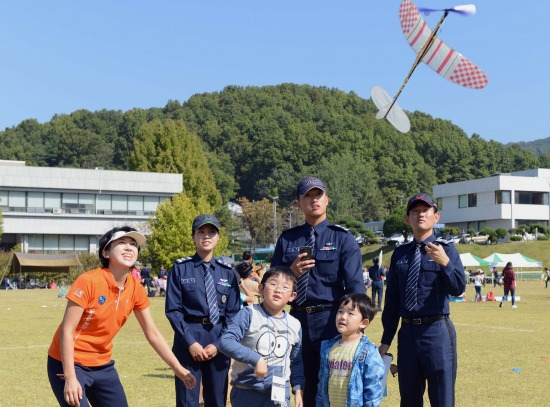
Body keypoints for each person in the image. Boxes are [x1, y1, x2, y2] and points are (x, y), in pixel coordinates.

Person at [47, 226, 196, 407]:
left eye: (133, 244)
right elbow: (67, 331)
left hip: (102, 364)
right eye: (121, 243)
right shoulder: (89, 281)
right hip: (68, 363)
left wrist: (178, 368)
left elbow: (152, 333)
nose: (129, 247)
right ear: (106, 252)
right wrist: (70, 377)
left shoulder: (136, 288)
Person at [271, 176, 364, 407]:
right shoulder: (287, 239)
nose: (314, 200)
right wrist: (290, 272)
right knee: (302, 387)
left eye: (318, 195)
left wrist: (355, 328)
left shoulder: (343, 238)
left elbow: (355, 289)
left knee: (334, 388)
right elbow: (271, 284)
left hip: (331, 321)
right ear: (299, 203)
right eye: (308, 196)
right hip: (296, 321)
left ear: (327, 200)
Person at [379, 193, 466, 407]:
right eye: (415, 211)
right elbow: (391, 303)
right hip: (407, 334)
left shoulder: (447, 250)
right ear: (407, 218)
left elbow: (458, 288)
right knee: (408, 399)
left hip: (436, 331)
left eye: (425, 210)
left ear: (436, 217)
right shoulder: (400, 254)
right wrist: (385, 340)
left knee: (442, 399)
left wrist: (446, 263)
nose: (420, 214)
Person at [165, 214, 240, 407]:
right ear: (193, 236)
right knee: (187, 401)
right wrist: (191, 343)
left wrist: (218, 345)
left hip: (219, 340)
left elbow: (233, 315)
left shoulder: (228, 273)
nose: (206, 236)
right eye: (201, 232)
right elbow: (173, 310)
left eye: (211, 232)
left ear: (218, 237)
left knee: (217, 400)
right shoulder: (180, 269)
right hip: (188, 339)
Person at [219, 266, 305, 407]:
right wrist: (256, 359)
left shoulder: (295, 325)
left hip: (279, 393)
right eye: (273, 284)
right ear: (261, 288)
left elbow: (296, 361)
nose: (278, 290)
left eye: (285, 287)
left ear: (292, 296)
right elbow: (226, 341)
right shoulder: (248, 314)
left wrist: (298, 389)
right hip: (246, 391)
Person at [316, 293, 385, 407]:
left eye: (350, 313)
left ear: (364, 323)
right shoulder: (328, 348)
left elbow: (373, 392)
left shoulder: (369, 353)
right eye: (340, 311)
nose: (343, 316)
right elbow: (321, 386)